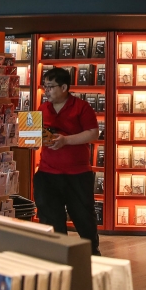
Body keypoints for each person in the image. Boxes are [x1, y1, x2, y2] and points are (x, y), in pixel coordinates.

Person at [33, 66, 100, 254]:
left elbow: (93, 133)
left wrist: (65, 141)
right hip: (47, 171)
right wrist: (32, 141)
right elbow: (37, 135)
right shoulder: (42, 108)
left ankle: (91, 253)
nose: (46, 91)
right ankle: (58, 252)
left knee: (83, 216)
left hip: (77, 173)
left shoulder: (82, 107)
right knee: (50, 216)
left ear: (64, 87)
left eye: (50, 87)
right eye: (45, 86)